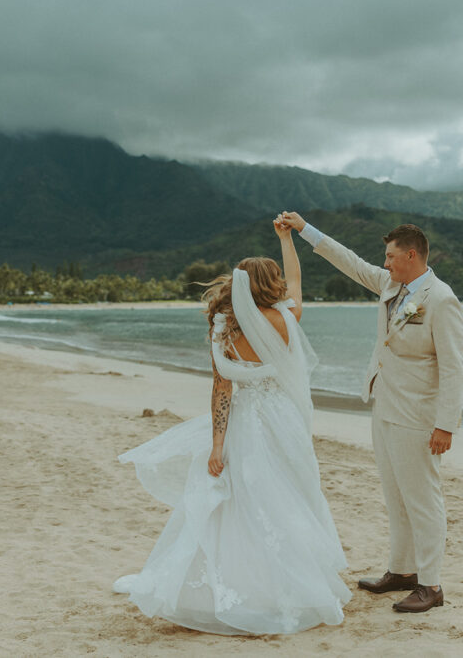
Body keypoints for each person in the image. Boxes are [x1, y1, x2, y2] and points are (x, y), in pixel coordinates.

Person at [112, 218, 351, 635]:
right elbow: (295, 279)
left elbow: (222, 390)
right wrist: (286, 240)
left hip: (245, 423)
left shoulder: (224, 328)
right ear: (269, 286)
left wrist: (217, 446)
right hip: (284, 421)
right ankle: (289, 584)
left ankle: (228, 585)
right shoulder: (286, 318)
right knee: (289, 497)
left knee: (238, 500)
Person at [277, 211, 463, 614]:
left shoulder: (442, 299)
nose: (384, 263)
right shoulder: (388, 284)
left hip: (418, 415)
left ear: (411, 255)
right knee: (394, 493)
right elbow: (349, 261)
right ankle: (401, 572)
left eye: (391, 257)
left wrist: (445, 425)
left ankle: (431, 584)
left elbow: (454, 368)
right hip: (384, 404)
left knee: (423, 498)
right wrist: (304, 229)